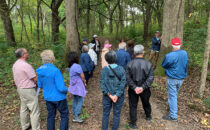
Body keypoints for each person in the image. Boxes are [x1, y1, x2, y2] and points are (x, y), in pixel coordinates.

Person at [36, 50, 69, 130]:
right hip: (59, 98)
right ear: (52, 58)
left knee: (51, 116)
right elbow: (61, 88)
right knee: (64, 115)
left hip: (48, 97)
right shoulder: (55, 70)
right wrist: (67, 89)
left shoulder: (39, 71)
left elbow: (40, 85)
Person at [126, 45, 154, 129]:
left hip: (134, 89)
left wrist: (136, 87)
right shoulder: (148, 64)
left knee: (133, 105)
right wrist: (141, 87)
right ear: (143, 52)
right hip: (143, 89)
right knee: (146, 102)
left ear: (134, 53)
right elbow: (151, 77)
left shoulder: (130, 63)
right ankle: (148, 116)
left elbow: (127, 78)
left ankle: (133, 123)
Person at [12, 48, 41, 130]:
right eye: (26, 52)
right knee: (34, 109)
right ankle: (36, 128)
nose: (28, 53)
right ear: (23, 55)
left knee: (24, 108)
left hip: (20, 89)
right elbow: (34, 78)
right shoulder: (26, 65)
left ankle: (25, 126)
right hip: (28, 89)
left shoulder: (15, 64)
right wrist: (37, 84)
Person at [161, 38, 188, 122]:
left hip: (172, 78)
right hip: (181, 78)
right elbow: (186, 64)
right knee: (174, 95)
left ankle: (173, 116)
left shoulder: (169, 55)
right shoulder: (184, 53)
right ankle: (171, 108)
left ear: (172, 45)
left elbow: (164, 65)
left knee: (173, 96)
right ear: (180, 45)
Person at [100, 51, 126, 130]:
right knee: (117, 114)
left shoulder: (104, 70)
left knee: (105, 114)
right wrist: (117, 95)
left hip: (107, 96)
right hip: (119, 97)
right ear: (115, 58)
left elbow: (102, 84)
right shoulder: (121, 69)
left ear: (106, 59)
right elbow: (123, 83)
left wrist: (109, 94)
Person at [68, 52, 87, 123]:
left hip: (73, 85)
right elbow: (82, 76)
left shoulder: (70, 66)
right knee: (81, 100)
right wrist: (84, 82)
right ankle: (76, 116)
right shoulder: (77, 66)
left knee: (75, 99)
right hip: (78, 85)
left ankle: (75, 114)